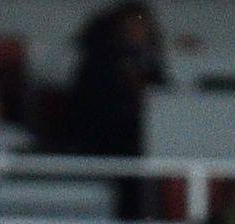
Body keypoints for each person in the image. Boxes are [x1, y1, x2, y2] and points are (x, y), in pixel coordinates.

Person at [60, 3, 163, 159]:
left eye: (142, 26)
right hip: (101, 143)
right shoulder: (99, 64)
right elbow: (96, 107)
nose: (138, 32)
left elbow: (161, 97)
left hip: (143, 142)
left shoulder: (148, 63)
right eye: (131, 25)